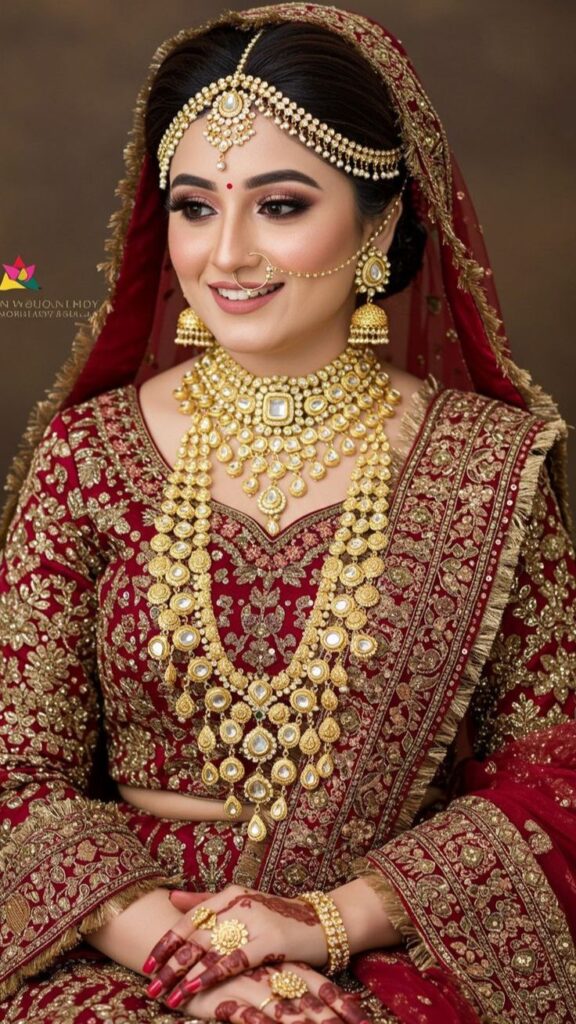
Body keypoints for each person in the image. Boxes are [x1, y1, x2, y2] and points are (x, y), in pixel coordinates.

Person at [0, 4, 574, 1022]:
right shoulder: (88, 458)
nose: (225, 254)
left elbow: (554, 769)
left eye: (278, 205)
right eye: (193, 206)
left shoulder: (488, 468)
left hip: (390, 942)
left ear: (381, 221)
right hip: (116, 945)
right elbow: (18, 772)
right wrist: (201, 968)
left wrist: (324, 925)